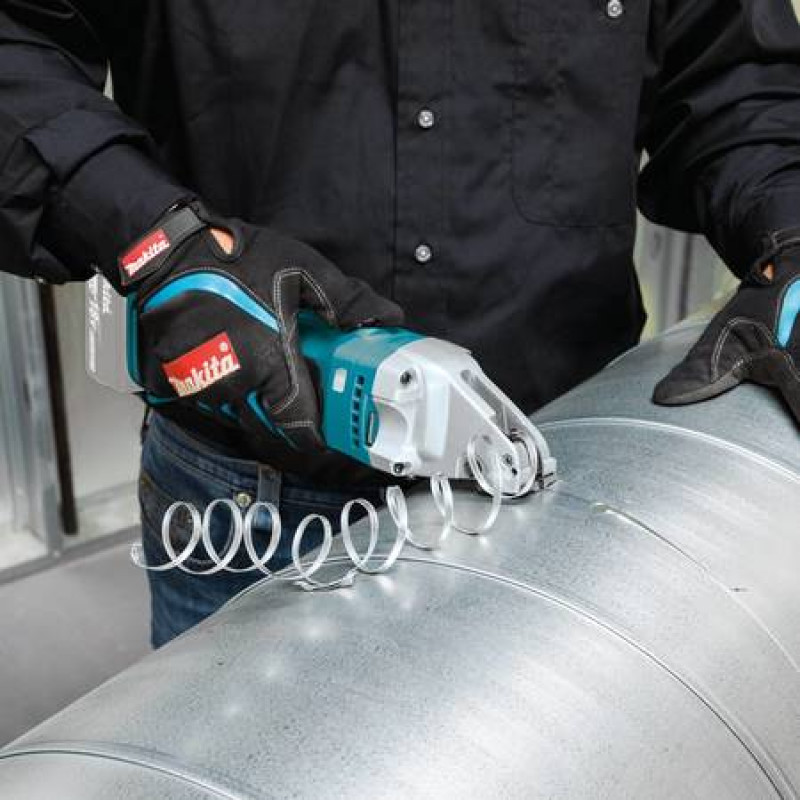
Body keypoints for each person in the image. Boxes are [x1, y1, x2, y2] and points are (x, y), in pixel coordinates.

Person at [1, 0, 797, 647]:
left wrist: (791, 236)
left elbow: (735, 79)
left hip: (554, 481)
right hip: (249, 500)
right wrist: (158, 241)